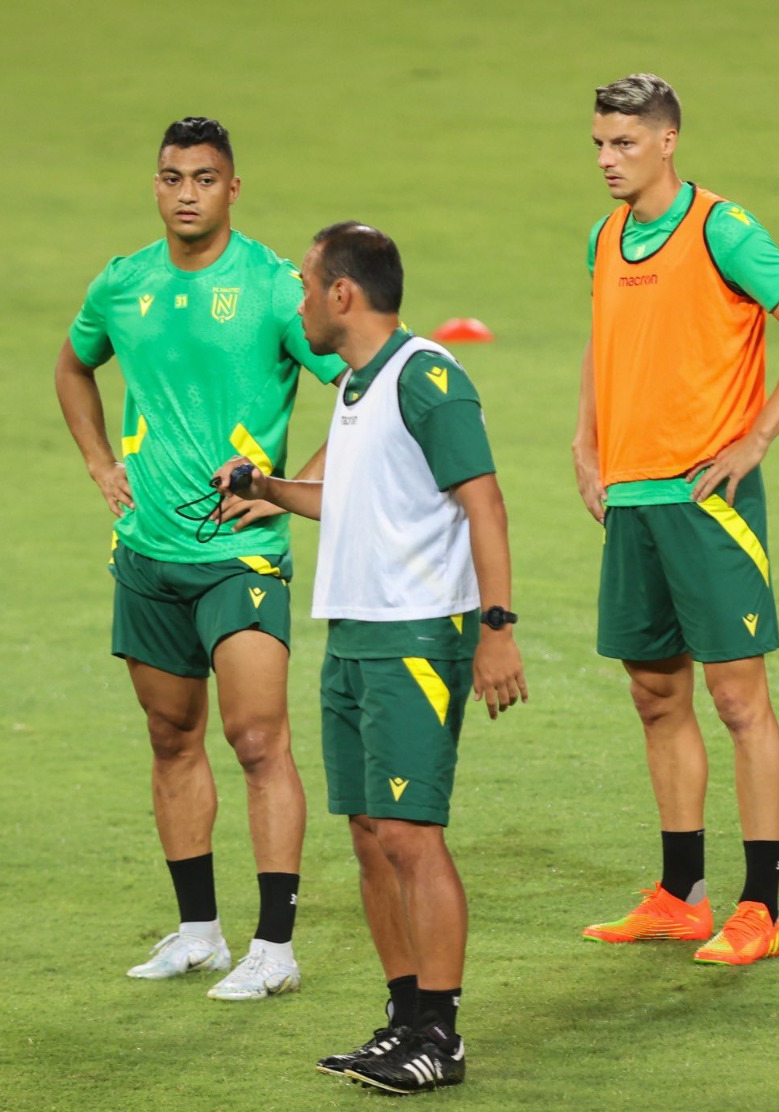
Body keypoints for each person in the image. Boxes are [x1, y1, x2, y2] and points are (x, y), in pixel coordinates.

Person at [213, 222, 527, 1094]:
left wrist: (497, 628)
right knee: (368, 833)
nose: (300, 305)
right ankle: (404, 1020)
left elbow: (486, 502)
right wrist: (266, 489)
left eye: (307, 287)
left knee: (411, 836)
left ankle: (441, 1036)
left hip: (416, 635)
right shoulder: (358, 383)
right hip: (353, 635)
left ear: (343, 293)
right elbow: (349, 498)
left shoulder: (427, 377)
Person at [54, 116, 345, 1001]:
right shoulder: (123, 283)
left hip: (239, 556)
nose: (187, 194)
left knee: (257, 740)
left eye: (205, 179)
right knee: (170, 737)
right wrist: (100, 464)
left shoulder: (272, 287)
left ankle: (275, 948)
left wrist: (287, 489)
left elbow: (363, 385)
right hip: (146, 555)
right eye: (173, 177)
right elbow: (72, 366)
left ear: (233, 189)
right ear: (156, 184)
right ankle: (198, 935)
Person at [572, 74, 779, 965]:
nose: (607, 159)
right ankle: (682, 897)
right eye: (599, 143)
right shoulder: (605, 237)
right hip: (632, 499)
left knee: (737, 699)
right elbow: (604, 339)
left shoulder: (720, 229)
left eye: (623, 143)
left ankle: (760, 908)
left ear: (667, 142)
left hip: (707, 501)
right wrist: (586, 443)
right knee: (655, 695)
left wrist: (757, 438)